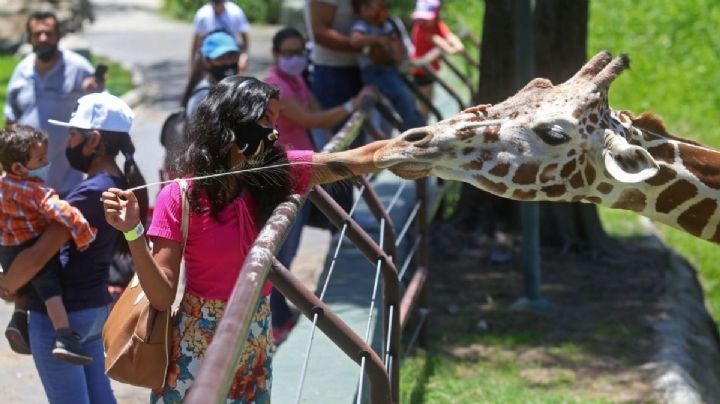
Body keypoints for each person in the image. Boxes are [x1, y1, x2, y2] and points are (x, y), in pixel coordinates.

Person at [100, 76, 389, 402]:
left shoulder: (272, 176)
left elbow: (348, 162)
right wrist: (133, 231)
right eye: (266, 119)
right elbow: (163, 296)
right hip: (198, 347)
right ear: (233, 121)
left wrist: (422, 145)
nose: (274, 131)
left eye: (276, 120)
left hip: (256, 337)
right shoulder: (179, 196)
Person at [0, 92, 147, 403]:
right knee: (99, 398)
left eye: (72, 134)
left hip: (64, 314)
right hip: (93, 309)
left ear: (93, 141)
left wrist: (8, 284)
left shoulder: (91, 191)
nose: (66, 142)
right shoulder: (116, 182)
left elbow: (39, 255)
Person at [265, 27, 377, 343]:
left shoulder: (297, 79)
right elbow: (312, 120)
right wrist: (353, 104)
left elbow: (316, 111)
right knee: (279, 254)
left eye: (300, 51)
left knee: (290, 250)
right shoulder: (275, 88)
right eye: (288, 53)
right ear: (275, 56)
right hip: (281, 176)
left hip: (300, 174)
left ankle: (278, 316)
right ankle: (275, 319)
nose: (296, 58)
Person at [3, 10, 104, 196]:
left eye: (48, 33)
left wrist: (95, 90)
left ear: (58, 36)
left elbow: (102, 110)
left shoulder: (78, 68)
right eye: (37, 34)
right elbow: (10, 123)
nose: (43, 38)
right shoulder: (21, 72)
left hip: (69, 183)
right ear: (29, 39)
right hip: (28, 185)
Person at [349, 0, 425, 129]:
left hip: (390, 68)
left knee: (407, 97)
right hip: (374, 71)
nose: (383, 10)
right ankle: (415, 126)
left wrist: (397, 54)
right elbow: (354, 41)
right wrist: (376, 39)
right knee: (401, 95)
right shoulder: (362, 26)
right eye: (380, 6)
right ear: (365, 8)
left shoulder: (385, 25)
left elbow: (395, 43)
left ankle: (416, 124)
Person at [409, 0, 464, 117]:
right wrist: (453, 49)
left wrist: (458, 45)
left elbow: (449, 36)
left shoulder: (438, 25)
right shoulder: (420, 29)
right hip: (420, 72)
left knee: (429, 103)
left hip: (430, 70)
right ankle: (419, 129)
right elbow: (438, 41)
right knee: (425, 107)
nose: (425, 21)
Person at [184, 30, 241, 119]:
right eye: (220, 58)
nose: (228, 62)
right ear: (207, 62)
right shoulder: (202, 96)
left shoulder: (242, 88)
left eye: (232, 55)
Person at [189, 0, 250, 74]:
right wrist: (192, 63)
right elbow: (196, 41)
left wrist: (243, 57)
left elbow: (245, 38)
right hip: (210, 58)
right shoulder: (202, 14)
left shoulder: (235, 12)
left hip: (230, 57)